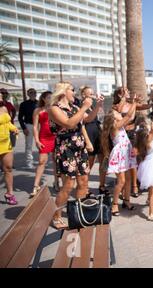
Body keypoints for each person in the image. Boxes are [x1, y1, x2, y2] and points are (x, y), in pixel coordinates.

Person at [48, 82, 104, 229]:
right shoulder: (54, 109)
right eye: (72, 90)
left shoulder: (75, 108)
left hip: (80, 149)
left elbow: (87, 119)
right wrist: (85, 106)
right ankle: (56, 216)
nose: (74, 93)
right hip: (66, 149)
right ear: (63, 92)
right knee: (68, 185)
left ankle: (78, 213)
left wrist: (97, 106)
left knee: (84, 182)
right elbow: (69, 123)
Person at [102, 95, 138, 216]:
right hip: (120, 155)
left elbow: (130, 116)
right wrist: (134, 102)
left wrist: (129, 101)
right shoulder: (115, 126)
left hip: (126, 152)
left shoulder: (120, 125)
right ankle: (115, 204)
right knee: (121, 181)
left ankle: (126, 201)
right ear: (113, 118)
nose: (119, 114)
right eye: (117, 114)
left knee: (128, 179)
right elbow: (128, 116)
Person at [80, 86, 107, 195]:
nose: (92, 95)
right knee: (89, 164)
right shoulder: (82, 106)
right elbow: (88, 119)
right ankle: (85, 189)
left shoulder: (93, 106)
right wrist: (97, 106)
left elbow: (101, 117)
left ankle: (102, 185)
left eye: (93, 93)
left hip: (98, 133)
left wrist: (101, 105)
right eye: (89, 94)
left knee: (103, 161)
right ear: (83, 95)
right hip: (89, 134)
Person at [31, 91, 58, 197]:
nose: (51, 99)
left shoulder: (55, 109)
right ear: (43, 99)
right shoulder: (37, 110)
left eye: (52, 97)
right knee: (42, 161)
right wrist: (37, 141)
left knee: (55, 161)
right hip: (44, 138)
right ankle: (36, 185)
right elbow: (34, 127)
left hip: (55, 137)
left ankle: (56, 182)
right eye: (48, 97)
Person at [0, 93, 19, 205]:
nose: (2, 97)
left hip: (6, 143)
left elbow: (7, 123)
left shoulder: (4, 108)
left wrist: (14, 128)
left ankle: (9, 193)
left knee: (8, 168)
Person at [18, 88, 38, 169]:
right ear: (28, 94)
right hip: (29, 126)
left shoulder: (39, 103)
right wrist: (24, 128)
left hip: (38, 126)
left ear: (36, 94)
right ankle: (29, 162)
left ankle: (42, 160)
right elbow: (20, 117)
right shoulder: (23, 104)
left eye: (34, 92)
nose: (32, 94)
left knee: (41, 143)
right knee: (28, 145)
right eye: (31, 92)